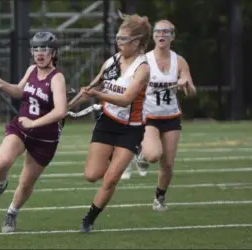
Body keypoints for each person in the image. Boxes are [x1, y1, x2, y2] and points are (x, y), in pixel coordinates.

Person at [69, 12, 152, 233]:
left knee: (111, 178)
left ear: (137, 42)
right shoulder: (111, 61)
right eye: (118, 37)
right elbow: (92, 86)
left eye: (123, 39)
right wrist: (65, 108)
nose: (118, 42)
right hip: (107, 122)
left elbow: (125, 100)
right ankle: (121, 162)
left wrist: (98, 94)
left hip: (130, 129)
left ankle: (89, 219)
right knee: (91, 175)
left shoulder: (142, 69)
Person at [0, 31, 67, 233]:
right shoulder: (31, 70)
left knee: (26, 183)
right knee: (1, 163)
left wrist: (34, 124)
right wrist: (2, 85)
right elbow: (20, 91)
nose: (39, 53)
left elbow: (61, 111)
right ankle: (0, 184)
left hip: (45, 137)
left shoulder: (57, 78)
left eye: (44, 49)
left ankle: (11, 213)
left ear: (53, 53)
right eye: (36, 48)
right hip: (21, 126)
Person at [130, 19, 196, 210]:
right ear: (153, 36)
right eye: (158, 31)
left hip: (171, 117)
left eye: (166, 32)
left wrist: (185, 84)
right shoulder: (144, 61)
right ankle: (141, 154)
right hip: (149, 116)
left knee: (167, 165)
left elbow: (191, 90)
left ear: (172, 36)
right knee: (152, 156)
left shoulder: (179, 61)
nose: (161, 35)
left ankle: (159, 197)